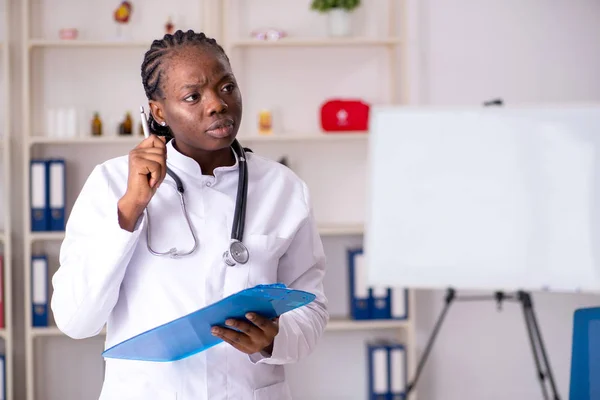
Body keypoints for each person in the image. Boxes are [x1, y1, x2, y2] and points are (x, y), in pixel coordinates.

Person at [50, 29, 329, 400]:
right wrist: (131, 208)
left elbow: (312, 308)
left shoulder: (284, 188)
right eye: (193, 96)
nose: (217, 104)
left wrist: (274, 339)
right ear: (158, 112)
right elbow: (76, 320)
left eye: (227, 87)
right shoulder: (112, 183)